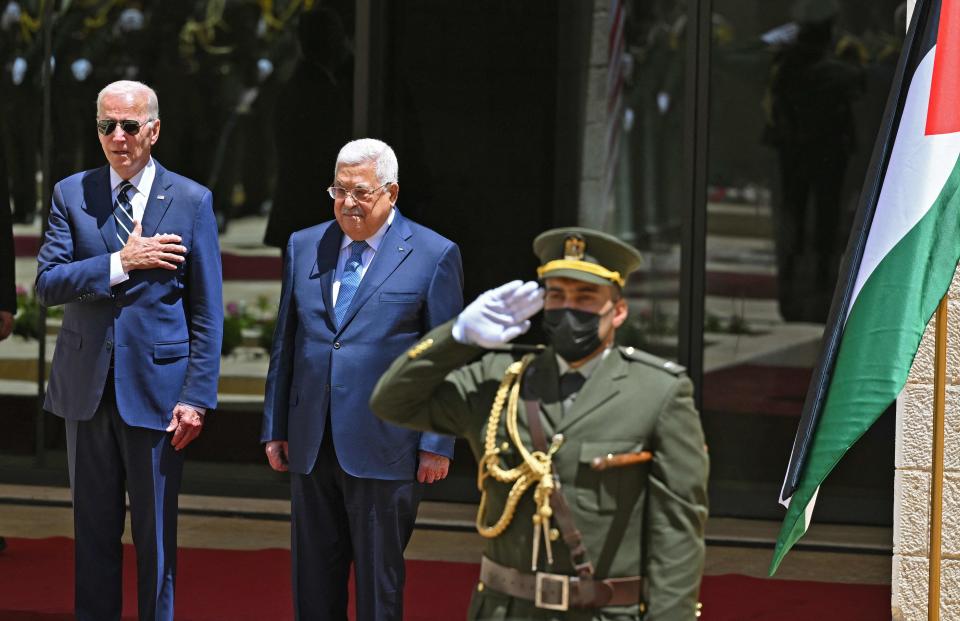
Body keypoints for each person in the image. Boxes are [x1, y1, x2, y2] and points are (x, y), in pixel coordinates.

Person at [371, 228, 709, 619]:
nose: (569, 309)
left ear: (618, 310)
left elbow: (678, 533)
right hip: (506, 610)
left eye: (585, 298)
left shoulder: (658, 393)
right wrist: (458, 337)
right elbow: (391, 401)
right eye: (557, 296)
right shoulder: (499, 380)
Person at [35, 80, 223, 621]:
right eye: (106, 126)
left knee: (156, 536)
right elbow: (48, 284)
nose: (118, 137)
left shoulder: (191, 201)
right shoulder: (73, 193)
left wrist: (197, 397)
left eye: (130, 125)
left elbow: (207, 312)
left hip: (159, 396)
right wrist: (123, 261)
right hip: (85, 390)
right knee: (91, 533)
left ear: (154, 130)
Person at [261, 138, 463, 620]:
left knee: (379, 586)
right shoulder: (304, 244)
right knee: (313, 582)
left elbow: (446, 356)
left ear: (391, 193)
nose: (348, 203)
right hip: (312, 441)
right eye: (339, 190)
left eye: (361, 192)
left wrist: (438, 441)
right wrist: (275, 426)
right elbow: (286, 343)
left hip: (386, 444)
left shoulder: (433, 253)